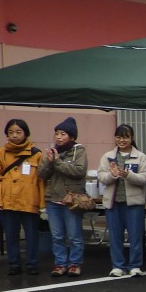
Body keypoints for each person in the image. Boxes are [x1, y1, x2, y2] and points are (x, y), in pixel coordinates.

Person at [0, 118, 44, 276]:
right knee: (11, 235)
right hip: (8, 201)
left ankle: (32, 263)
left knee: (32, 235)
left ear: (26, 133)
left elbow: (41, 180)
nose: (14, 135)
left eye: (19, 132)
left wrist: (42, 203)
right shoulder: (0, 153)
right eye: (11, 132)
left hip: (29, 200)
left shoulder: (36, 154)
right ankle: (14, 264)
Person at [98, 124, 146, 278]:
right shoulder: (108, 156)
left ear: (132, 138)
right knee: (115, 236)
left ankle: (135, 265)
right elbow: (101, 176)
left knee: (136, 236)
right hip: (113, 202)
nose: (121, 140)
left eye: (125, 137)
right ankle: (117, 266)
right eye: (118, 137)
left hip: (134, 203)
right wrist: (113, 175)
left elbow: (145, 178)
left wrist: (128, 175)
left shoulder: (140, 156)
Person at [39, 117, 88, 277]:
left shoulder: (78, 151)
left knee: (74, 235)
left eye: (63, 134)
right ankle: (60, 263)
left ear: (71, 137)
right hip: (52, 199)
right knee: (57, 236)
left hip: (71, 199)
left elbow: (79, 171)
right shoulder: (52, 151)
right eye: (57, 134)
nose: (59, 137)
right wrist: (49, 162)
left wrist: (58, 162)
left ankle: (75, 263)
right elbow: (41, 174)